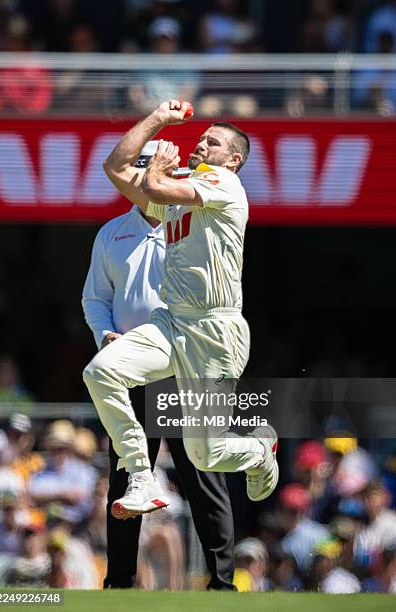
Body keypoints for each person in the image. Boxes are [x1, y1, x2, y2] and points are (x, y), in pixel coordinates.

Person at [83, 98, 279, 520]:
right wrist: (157, 119)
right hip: (172, 322)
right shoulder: (182, 191)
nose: (200, 145)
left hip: (215, 331)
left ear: (233, 159)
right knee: (100, 371)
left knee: (206, 454)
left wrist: (158, 165)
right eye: (201, 140)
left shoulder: (224, 184)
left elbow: (151, 186)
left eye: (211, 142)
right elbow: (115, 169)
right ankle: (140, 476)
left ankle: (260, 447)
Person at [82, 140, 238, 590]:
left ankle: (222, 582)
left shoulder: (195, 223)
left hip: (188, 365)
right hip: (131, 366)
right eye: (146, 168)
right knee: (128, 476)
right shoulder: (112, 232)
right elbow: (96, 298)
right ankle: (120, 582)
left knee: (203, 475)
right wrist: (105, 336)